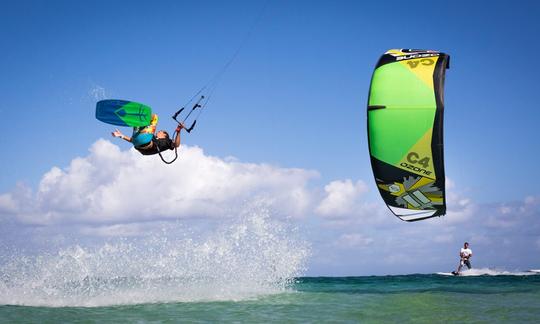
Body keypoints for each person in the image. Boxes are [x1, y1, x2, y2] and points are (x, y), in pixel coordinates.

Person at [111, 113, 184, 155]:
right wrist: (121, 136)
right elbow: (133, 140)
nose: (158, 132)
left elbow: (176, 145)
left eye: (160, 131)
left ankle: (141, 118)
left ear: (165, 135)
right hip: (138, 142)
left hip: (144, 143)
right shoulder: (152, 138)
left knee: (155, 117)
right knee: (138, 127)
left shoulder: (167, 141)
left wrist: (178, 131)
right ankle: (137, 121)